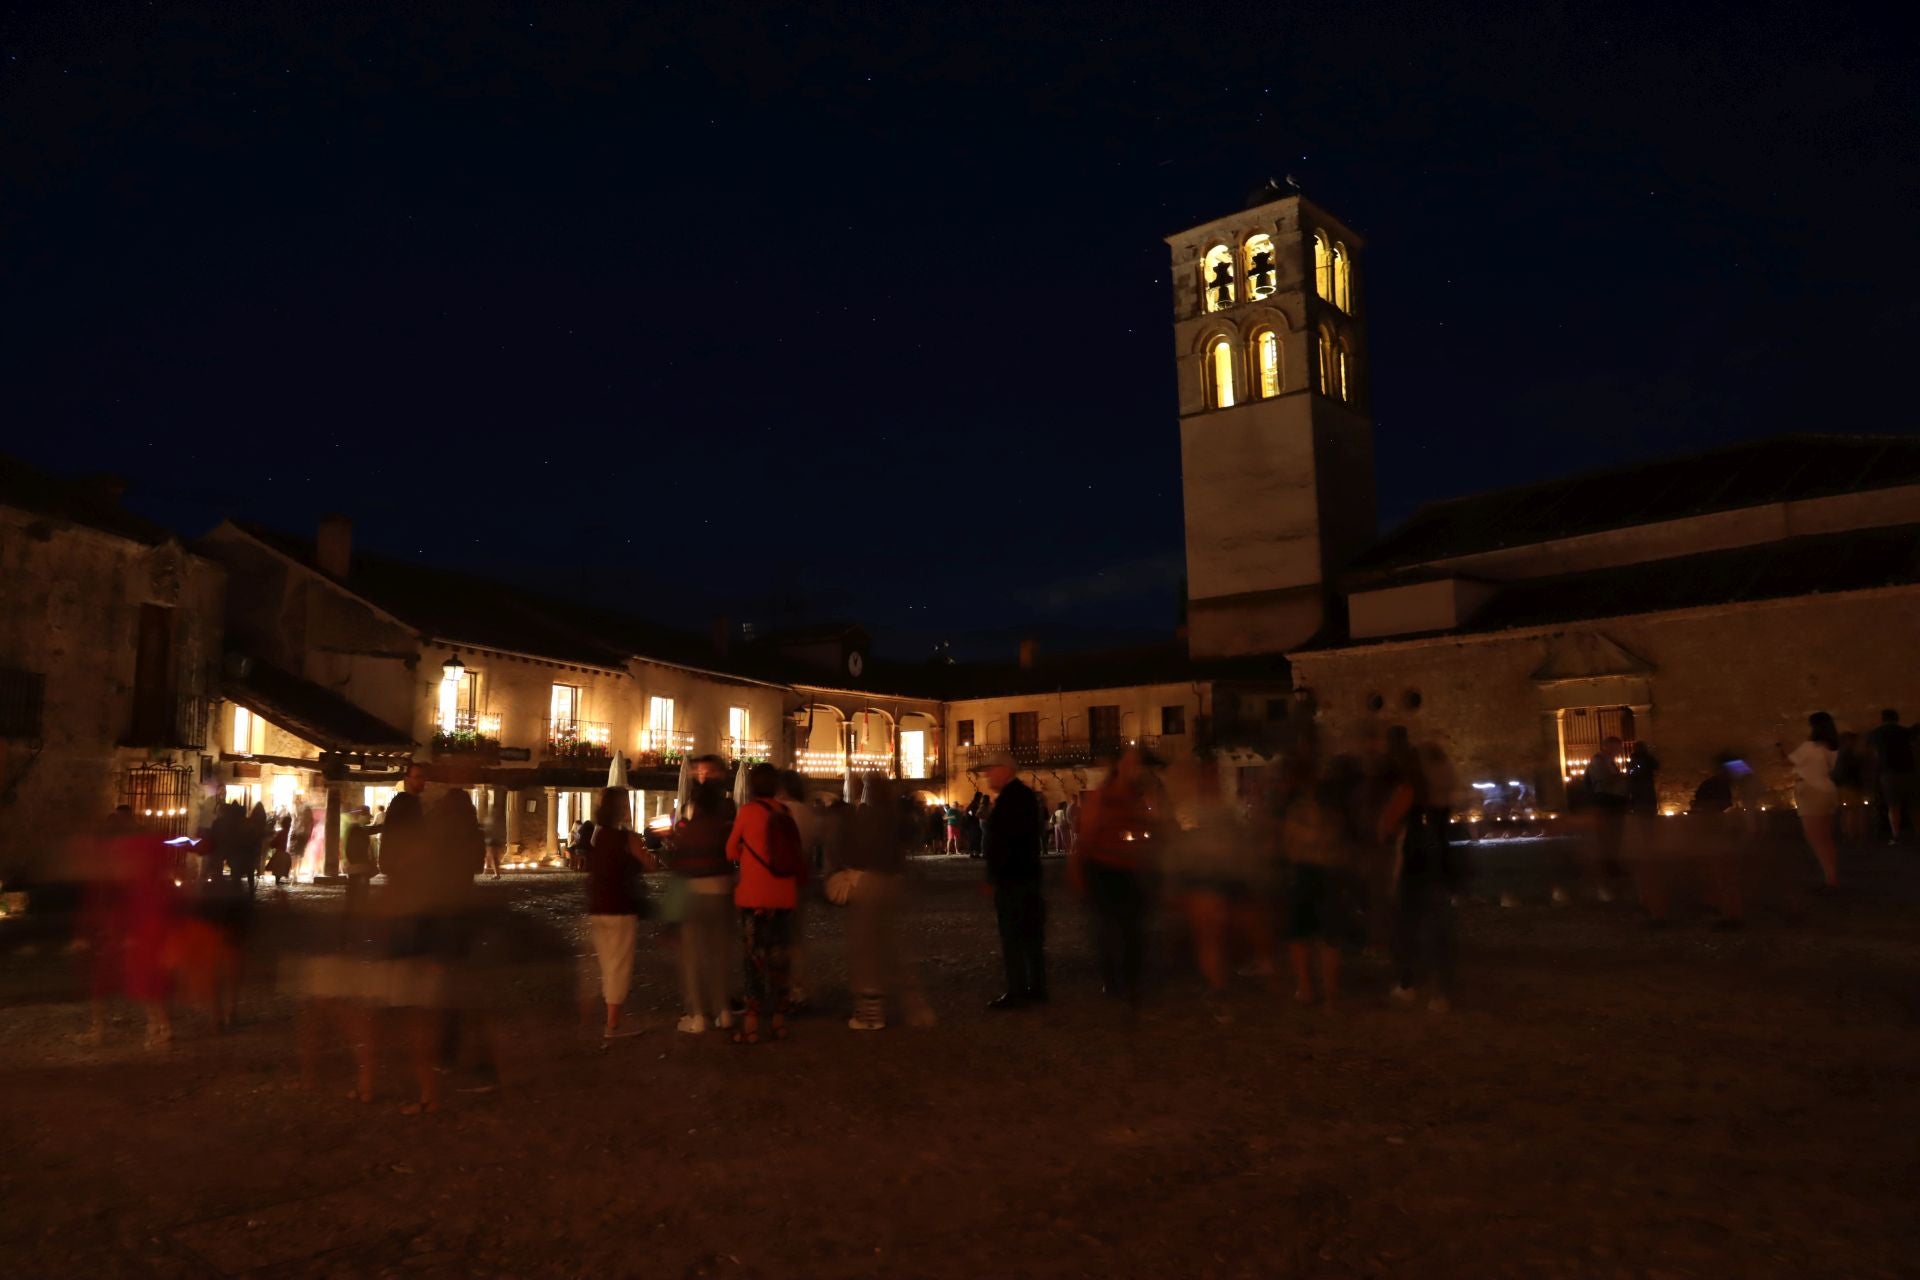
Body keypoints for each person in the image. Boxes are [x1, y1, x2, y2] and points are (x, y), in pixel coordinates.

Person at [842, 774, 934, 1030]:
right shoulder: (895, 817)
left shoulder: (868, 817)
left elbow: (855, 850)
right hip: (895, 883)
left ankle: (870, 1015)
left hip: (871, 882)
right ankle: (915, 1007)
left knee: (865, 949)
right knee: (893, 946)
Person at [1073, 746, 1158, 1007]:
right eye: (1130, 763)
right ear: (1119, 766)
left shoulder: (1138, 798)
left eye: (1138, 764)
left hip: (1131, 870)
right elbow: (1086, 837)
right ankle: (1112, 979)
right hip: (1104, 870)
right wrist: (1077, 871)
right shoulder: (1102, 797)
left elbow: (1150, 829)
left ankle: (1131, 980)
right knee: (1106, 928)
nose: (1134, 769)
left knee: (1133, 929)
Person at [726, 763, 804, 1043]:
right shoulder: (785, 812)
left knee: (754, 960)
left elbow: (729, 850)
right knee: (780, 959)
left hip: (754, 897)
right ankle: (779, 1021)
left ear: (752, 787)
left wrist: (746, 851)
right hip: (784, 895)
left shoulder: (747, 812)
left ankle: (751, 1025)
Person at [1383, 744, 1462, 1012]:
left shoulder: (1408, 790)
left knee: (1407, 926)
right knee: (1436, 926)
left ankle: (1409, 985)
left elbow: (1387, 825)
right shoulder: (1437, 790)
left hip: (1414, 862)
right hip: (1437, 858)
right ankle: (1441, 992)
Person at [585, 787, 653, 1042]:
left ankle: (611, 1016)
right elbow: (650, 865)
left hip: (598, 905)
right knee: (619, 965)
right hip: (620, 906)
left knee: (607, 962)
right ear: (622, 808)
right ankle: (612, 1023)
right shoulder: (629, 839)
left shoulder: (598, 836)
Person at [668, 779, 736, 1034]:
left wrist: (671, 917)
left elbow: (679, 868)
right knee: (720, 955)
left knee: (692, 957)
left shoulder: (689, 829)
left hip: (694, 894)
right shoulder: (723, 827)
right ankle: (724, 1011)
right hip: (722, 892)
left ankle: (698, 1015)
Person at [981, 756, 1046, 1009]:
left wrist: (994, 876)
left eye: (991, 770)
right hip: (1026, 875)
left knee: (1014, 935)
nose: (987, 776)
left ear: (1006, 770)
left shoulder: (1013, 798)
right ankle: (1036, 987)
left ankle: (1018, 990)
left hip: (1014, 878)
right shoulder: (1022, 796)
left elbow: (1006, 842)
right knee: (1030, 935)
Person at [1783, 712, 1841, 888]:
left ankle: (1830, 878)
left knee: (1815, 837)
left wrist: (1782, 747)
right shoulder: (1832, 747)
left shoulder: (1809, 747)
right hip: (1827, 789)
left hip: (1811, 791)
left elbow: (1788, 762)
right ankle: (1831, 874)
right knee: (1825, 837)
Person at [1584, 737, 1630, 901]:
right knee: (1609, 835)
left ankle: (1612, 865)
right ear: (1606, 747)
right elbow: (1603, 782)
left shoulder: (1608, 762)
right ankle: (1608, 867)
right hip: (1606, 801)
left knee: (1614, 835)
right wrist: (1622, 778)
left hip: (1612, 801)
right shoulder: (1598, 762)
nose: (1618, 751)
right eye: (1616, 747)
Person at [1867, 708, 1917, 844]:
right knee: (1914, 805)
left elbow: (1873, 754)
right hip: (1909, 771)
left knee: (1893, 807)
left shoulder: (1875, 734)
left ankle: (1896, 835)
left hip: (1888, 774)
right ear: (1897, 719)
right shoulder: (1905, 732)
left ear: (1882, 719)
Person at [343, 806, 374, 912]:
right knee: (359, 891)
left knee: (354, 891)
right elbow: (353, 849)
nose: (370, 819)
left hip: (357, 865)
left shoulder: (356, 828)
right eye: (367, 816)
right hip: (360, 865)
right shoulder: (357, 829)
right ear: (360, 816)